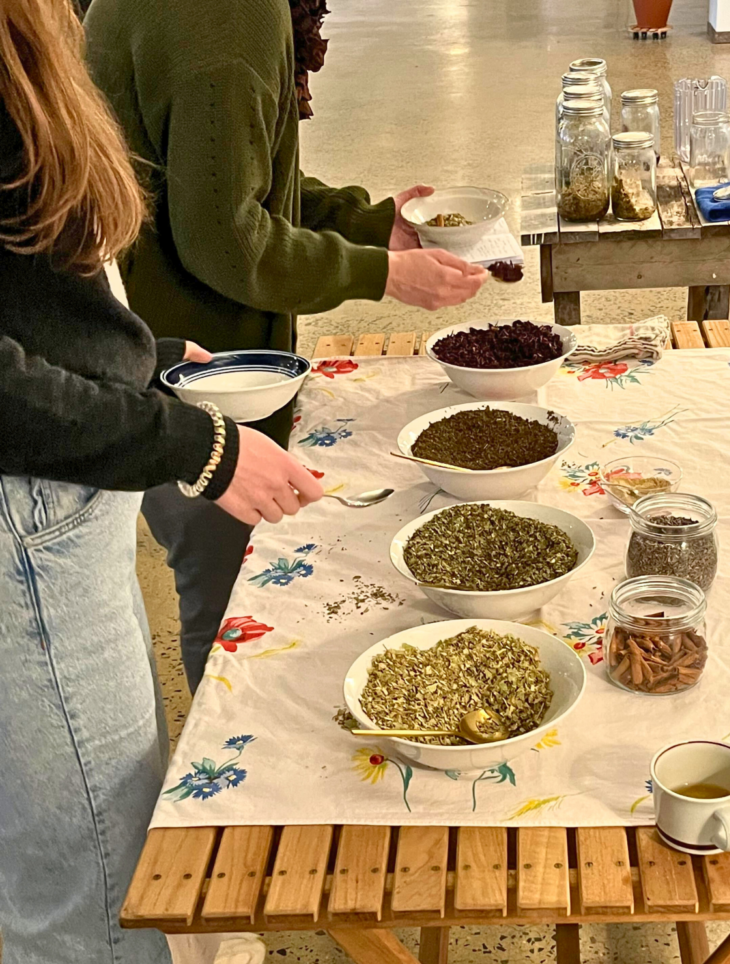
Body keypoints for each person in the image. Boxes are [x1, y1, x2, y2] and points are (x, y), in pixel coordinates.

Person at [0, 1, 324, 964]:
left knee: (102, 839)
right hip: (27, 519)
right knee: (91, 901)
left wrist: (127, 357)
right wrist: (199, 445)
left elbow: (34, 287)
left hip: (61, 496)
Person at [85, 0, 488, 693]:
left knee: (222, 591)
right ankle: (236, 784)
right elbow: (227, 239)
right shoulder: (226, 16)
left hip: (155, 360)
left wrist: (364, 223)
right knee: (227, 614)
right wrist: (381, 273)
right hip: (197, 380)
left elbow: (224, 176)